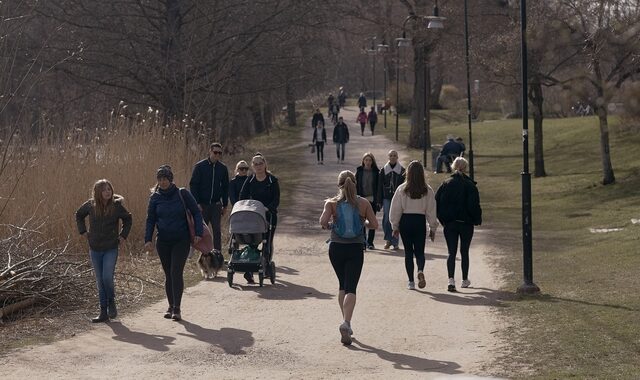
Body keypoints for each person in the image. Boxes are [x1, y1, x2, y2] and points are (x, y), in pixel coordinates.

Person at [320, 170, 378, 345]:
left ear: (339, 185)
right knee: (351, 287)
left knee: (342, 285)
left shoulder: (332, 203)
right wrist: (363, 222)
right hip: (355, 248)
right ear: (355, 183)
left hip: (336, 248)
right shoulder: (363, 203)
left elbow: (322, 222)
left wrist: (331, 223)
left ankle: (346, 321)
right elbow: (374, 224)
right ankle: (346, 322)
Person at [145, 165, 204, 321]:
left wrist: (198, 232)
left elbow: (197, 213)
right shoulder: (154, 198)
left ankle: (177, 309)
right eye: (160, 179)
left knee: (175, 272)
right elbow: (150, 220)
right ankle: (170, 306)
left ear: (171, 180)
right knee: (168, 274)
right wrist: (147, 240)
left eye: (165, 178)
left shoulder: (182, 193)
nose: (162, 182)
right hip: (163, 241)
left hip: (181, 239)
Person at [76, 179, 132, 323]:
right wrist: (83, 231)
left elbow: (128, 219)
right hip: (95, 248)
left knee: (107, 277)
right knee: (100, 281)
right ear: (98, 192)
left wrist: (123, 236)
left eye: (109, 189)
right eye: (104, 190)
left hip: (110, 248)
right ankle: (103, 312)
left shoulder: (117, 206)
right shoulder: (90, 205)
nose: (108, 192)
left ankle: (111, 302)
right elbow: (79, 214)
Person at [389, 161, 438, 290]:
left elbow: (395, 209)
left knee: (408, 252)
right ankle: (420, 270)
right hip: (419, 221)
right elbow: (431, 211)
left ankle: (411, 281)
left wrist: (395, 226)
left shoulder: (402, 189)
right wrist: (432, 228)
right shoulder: (427, 190)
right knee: (420, 251)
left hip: (406, 221)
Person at [435, 157, 482, 292]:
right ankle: (464, 279)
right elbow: (474, 205)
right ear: (465, 168)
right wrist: (476, 219)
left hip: (450, 223)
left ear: (453, 167)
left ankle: (451, 279)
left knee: (451, 252)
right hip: (466, 223)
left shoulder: (446, 183)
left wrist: (442, 219)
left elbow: (437, 203)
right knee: (464, 251)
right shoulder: (470, 185)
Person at [239, 154, 280, 284]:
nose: (258, 166)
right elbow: (242, 195)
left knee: (267, 242)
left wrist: (268, 208)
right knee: (252, 242)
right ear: (252, 166)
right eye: (255, 164)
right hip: (253, 216)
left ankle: (267, 266)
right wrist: (246, 206)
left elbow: (276, 199)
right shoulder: (250, 179)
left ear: (265, 164)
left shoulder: (272, 180)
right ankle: (249, 269)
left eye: (260, 163)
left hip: (269, 215)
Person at [189, 142, 229, 252]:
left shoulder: (223, 168)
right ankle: (202, 253)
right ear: (210, 151)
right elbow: (193, 185)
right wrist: (196, 203)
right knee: (201, 230)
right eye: (215, 152)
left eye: (219, 153)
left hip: (216, 204)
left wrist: (225, 204)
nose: (217, 155)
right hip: (202, 205)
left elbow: (226, 187)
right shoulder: (200, 166)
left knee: (217, 230)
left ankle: (217, 254)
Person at [377, 150, 405, 250]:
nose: (393, 157)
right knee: (386, 219)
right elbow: (379, 186)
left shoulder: (402, 170)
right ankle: (388, 239)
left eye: (395, 156)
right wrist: (379, 201)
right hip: (386, 198)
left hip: (398, 198)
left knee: (396, 219)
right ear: (388, 157)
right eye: (391, 156)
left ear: (397, 157)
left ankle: (395, 241)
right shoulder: (383, 170)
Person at [355, 152, 380, 249]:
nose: (368, 162)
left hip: (372, 199)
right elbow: (355, 185)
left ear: (372, 161)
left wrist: (378, 200)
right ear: (363, 161)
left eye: (370, 160)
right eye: (366, 160)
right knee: (362, 220)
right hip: (361, 198)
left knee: (371, 220)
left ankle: (370, 242)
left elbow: (378, 187)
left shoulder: (376, 172)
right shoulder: (359, 171)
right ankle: (363, 241)